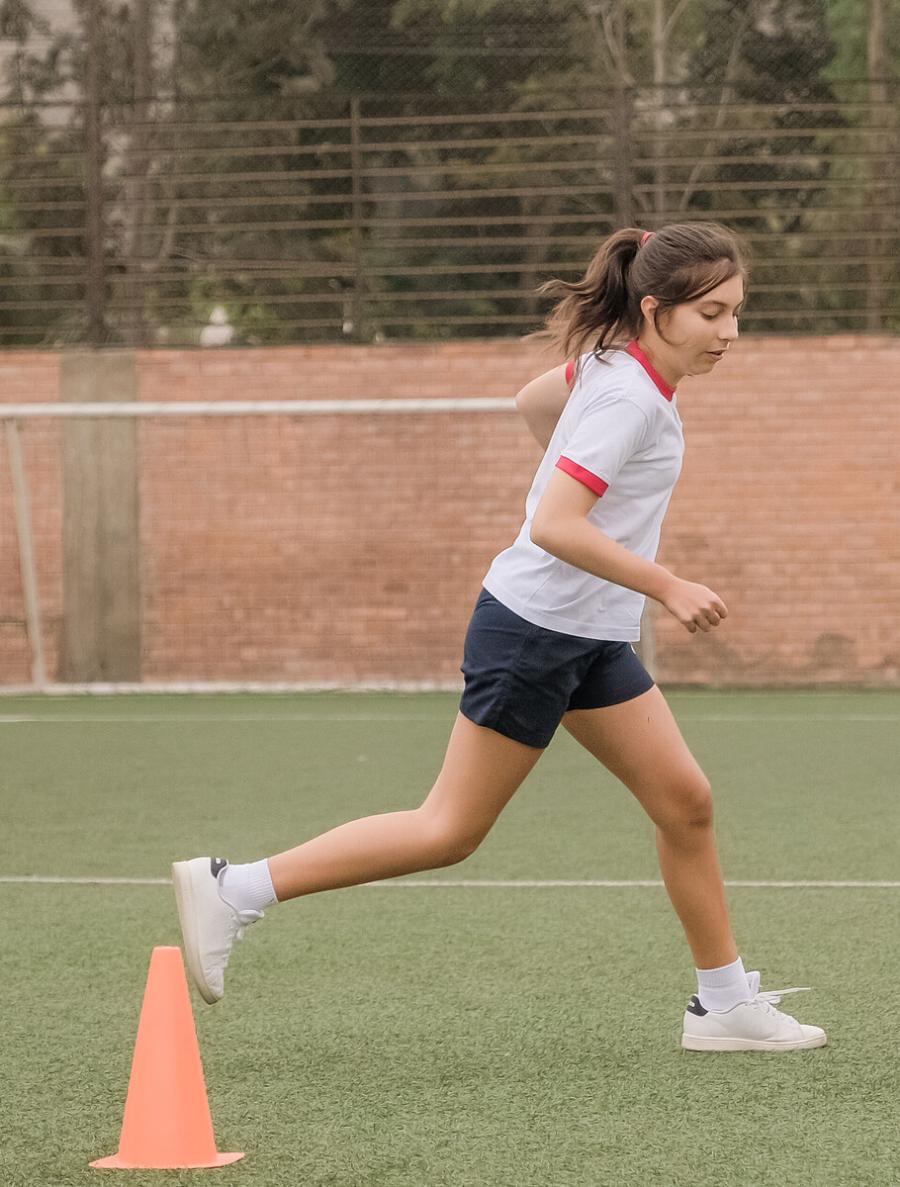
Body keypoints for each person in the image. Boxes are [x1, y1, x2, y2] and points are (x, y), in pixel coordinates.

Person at [173, 221, 826, 1053]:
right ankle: (237, 889)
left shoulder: (619, 370)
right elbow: (556, 523)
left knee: (685, 803)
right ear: (656, 310)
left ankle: (724, 1003)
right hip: (537, 632)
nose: (729, 332)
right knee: (449, 829)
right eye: (711, 315)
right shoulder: (627, 395)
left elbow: (533, 402)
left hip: (584, 633)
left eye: (737, 312)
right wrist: (668, 584)